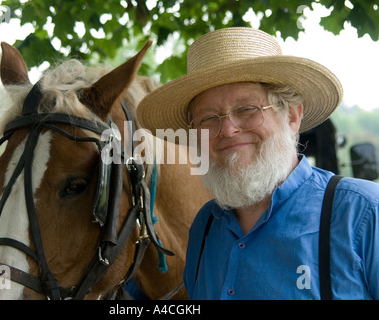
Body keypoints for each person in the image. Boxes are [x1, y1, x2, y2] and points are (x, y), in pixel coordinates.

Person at [137, 27, 379, 299]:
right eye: (208, 118)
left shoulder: (364, 213)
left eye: (247, 109)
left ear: (291, 116)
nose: (227, 130)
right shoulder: (204, 227)